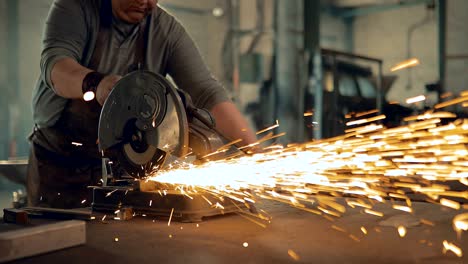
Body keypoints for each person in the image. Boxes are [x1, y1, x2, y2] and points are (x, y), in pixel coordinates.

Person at [28, 0, 257, 209]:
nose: (144, 2)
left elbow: (207, 93)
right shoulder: (75, 8)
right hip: (57, 163)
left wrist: (255, 156)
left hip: (123, 169)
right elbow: (55, 65)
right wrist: (96, 84)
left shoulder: (165, 30)